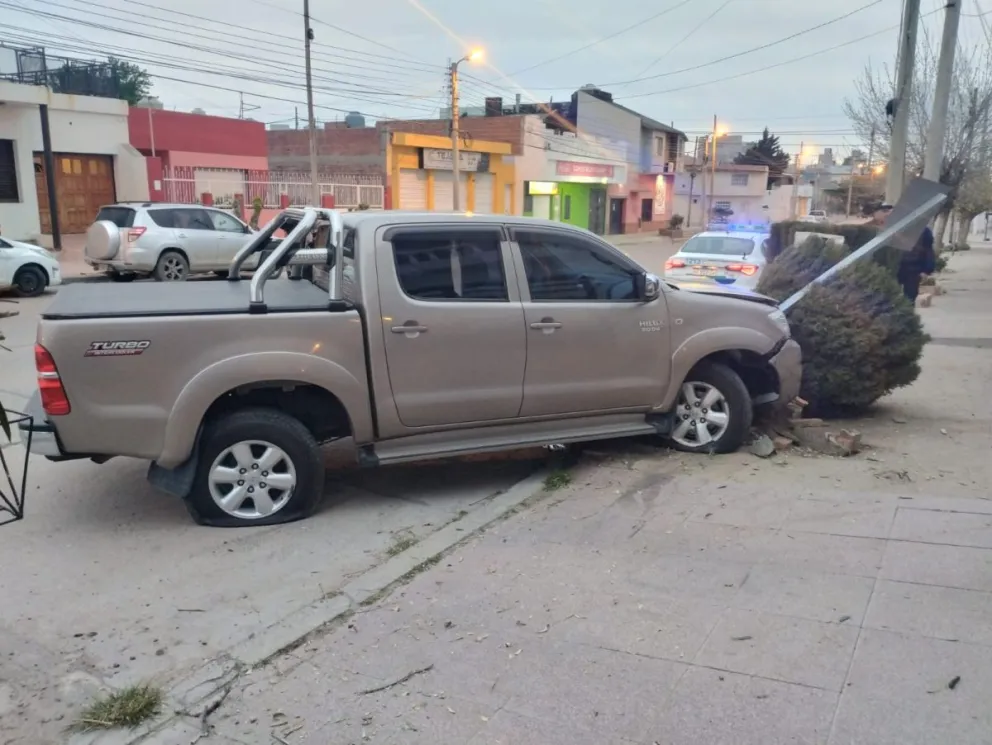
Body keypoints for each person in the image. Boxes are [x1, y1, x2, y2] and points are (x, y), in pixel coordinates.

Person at [870, 202, 936, 303]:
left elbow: (928, 251)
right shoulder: (883, 230)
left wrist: (926, 270)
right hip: (891, 269)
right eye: (885, 211)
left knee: (909, 298)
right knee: (888, 298)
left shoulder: (922, 231)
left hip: (913, 269)